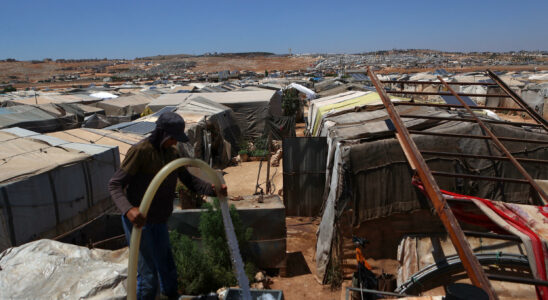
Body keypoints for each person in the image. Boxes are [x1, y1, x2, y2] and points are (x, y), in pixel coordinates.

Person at [109, 112, 226, 300]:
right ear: (162, 133)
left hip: (160, 220)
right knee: (148, 277)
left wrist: (213, 189)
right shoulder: (140, 151)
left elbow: (188, 180)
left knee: (168, 270)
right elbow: (114, 184)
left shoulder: (172, 154)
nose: (175, 143)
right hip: (139, 223)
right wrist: (128, 209)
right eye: (173, 138)